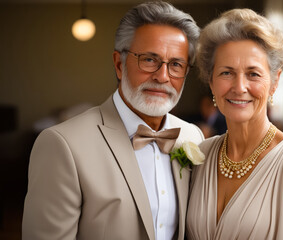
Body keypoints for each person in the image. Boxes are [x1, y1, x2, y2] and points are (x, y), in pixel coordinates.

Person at [22, 2, 203, 240]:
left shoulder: (192, 137)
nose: (162, 76)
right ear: (119, 64)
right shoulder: (62, 144)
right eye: (149, 60)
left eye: (176, 65)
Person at [186, 8, 283, 240]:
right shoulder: (201, 155)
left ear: (274, 82)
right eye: (226, 73)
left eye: (253, 74)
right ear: (211, 82)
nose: (239, 87)